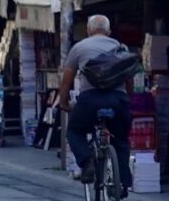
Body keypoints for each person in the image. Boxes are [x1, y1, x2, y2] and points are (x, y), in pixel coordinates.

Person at [57, 14, 136, 191]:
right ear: (108, 31)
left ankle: (87, 163)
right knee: (121, 139)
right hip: (117, 99)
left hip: (89, 100)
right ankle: (122, 181)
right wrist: (127, 99)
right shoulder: (119, 47)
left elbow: (66, 80)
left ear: (88, 30)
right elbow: (129, 78)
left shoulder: (79, 48)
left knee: (74, 131)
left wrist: (63, 102)